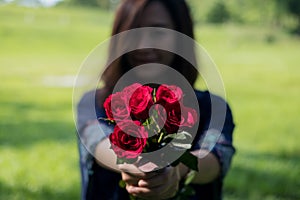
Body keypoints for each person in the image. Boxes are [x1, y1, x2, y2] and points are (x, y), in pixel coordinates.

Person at [76, 0, 235, 199]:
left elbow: (217, 157)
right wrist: (136, 167)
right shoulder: (95, 102)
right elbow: (97, 142)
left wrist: (177, 171)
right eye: (133, 32)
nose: (143, 45)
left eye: (158, 32)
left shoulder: (212, 107)